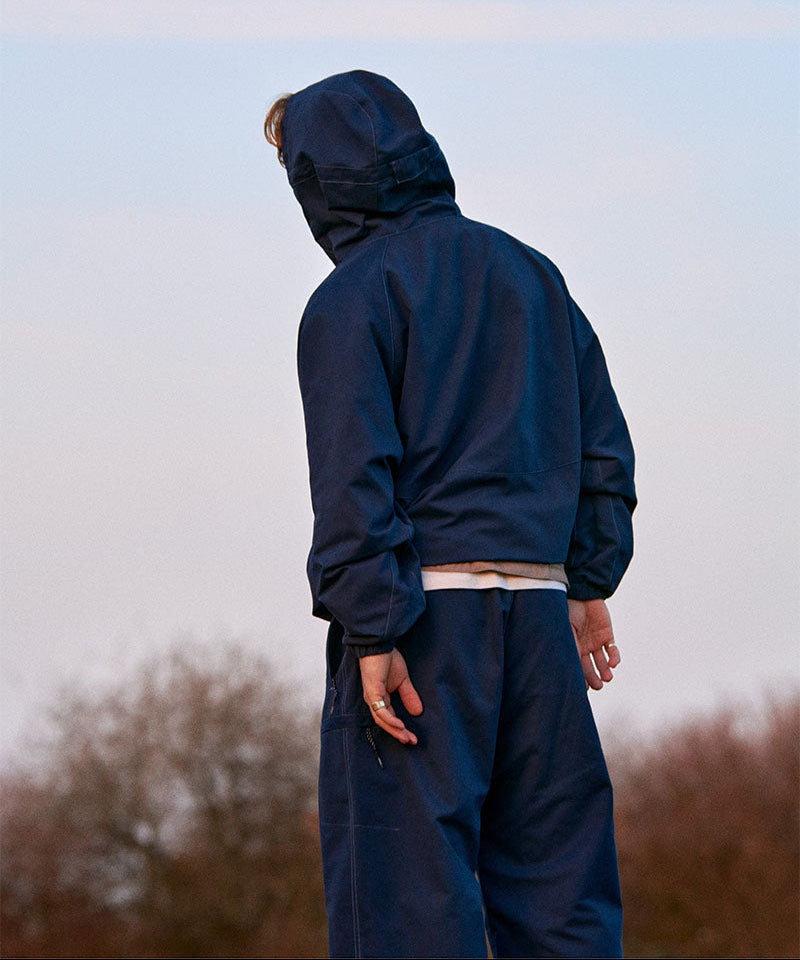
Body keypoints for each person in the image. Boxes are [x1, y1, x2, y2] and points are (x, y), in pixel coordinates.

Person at [264, 70, 636, 960]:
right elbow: (602, 447)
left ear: (318, 183)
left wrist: (375, 630)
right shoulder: (533, 274)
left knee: (405, 904)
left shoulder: (352, 299)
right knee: (563, 897)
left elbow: (356, 478)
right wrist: (585, 582)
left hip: (427, 625)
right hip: (542, 620)